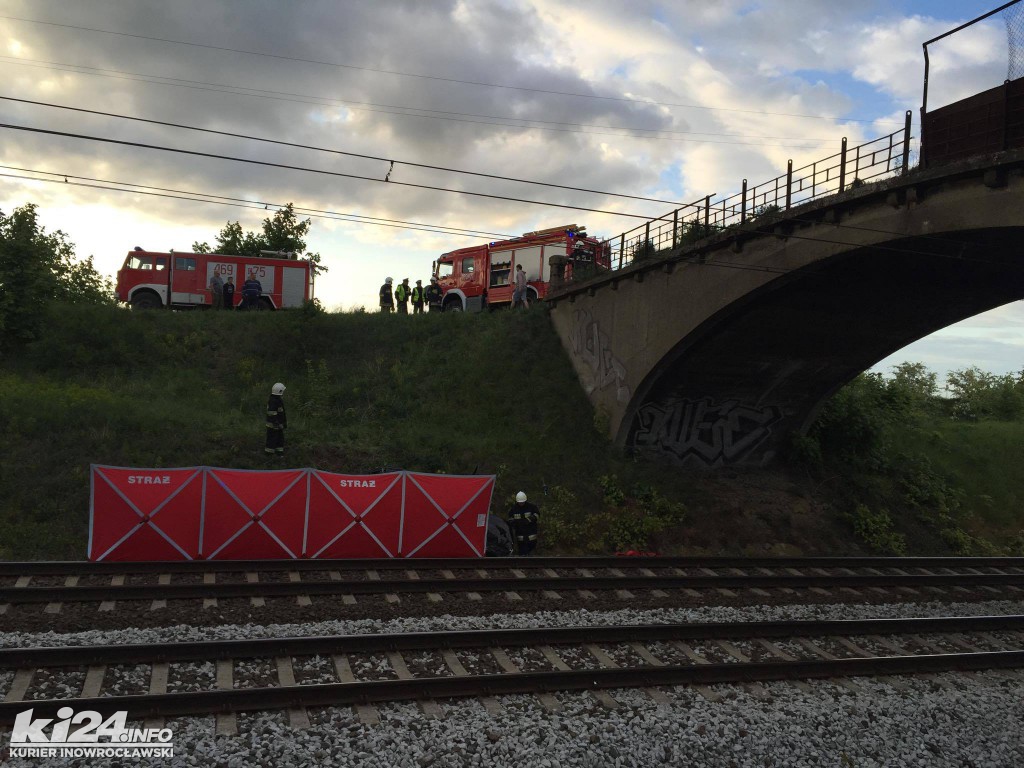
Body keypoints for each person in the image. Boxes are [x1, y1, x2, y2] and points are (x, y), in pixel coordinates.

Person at [508, 491, 539, 555]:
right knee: (522, 551)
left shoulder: (531, 507)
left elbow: (537, 514)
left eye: (522, 502)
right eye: (520, 502)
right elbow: (510, 519)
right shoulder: (514, 509)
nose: (521, 503)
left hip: (531, 533)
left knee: (532, 551)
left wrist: (529, 520)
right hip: (520, 534)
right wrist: (515, 523)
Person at [265, 382, 286, 458]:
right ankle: (269, 455)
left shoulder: (278, 400)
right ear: (280, 391)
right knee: (271, 440)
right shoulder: (273, 401)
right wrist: (276, 423)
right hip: (273, 426)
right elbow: (271, 413)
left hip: (278, 425)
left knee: (280, 439)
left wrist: (282, 424)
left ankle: (279, 454)